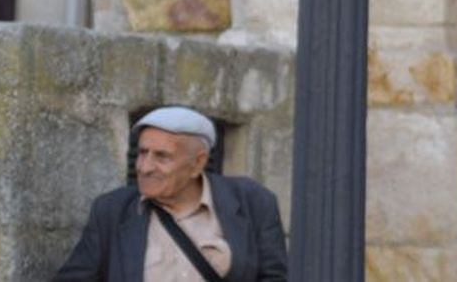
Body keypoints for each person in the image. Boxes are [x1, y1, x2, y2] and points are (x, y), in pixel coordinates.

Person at [55, 105, 288, 281]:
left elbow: (275, 277)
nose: (144, 167)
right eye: (142, 152)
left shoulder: (251, 201)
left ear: (198, 163)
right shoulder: (111, 211)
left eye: (162, 156)